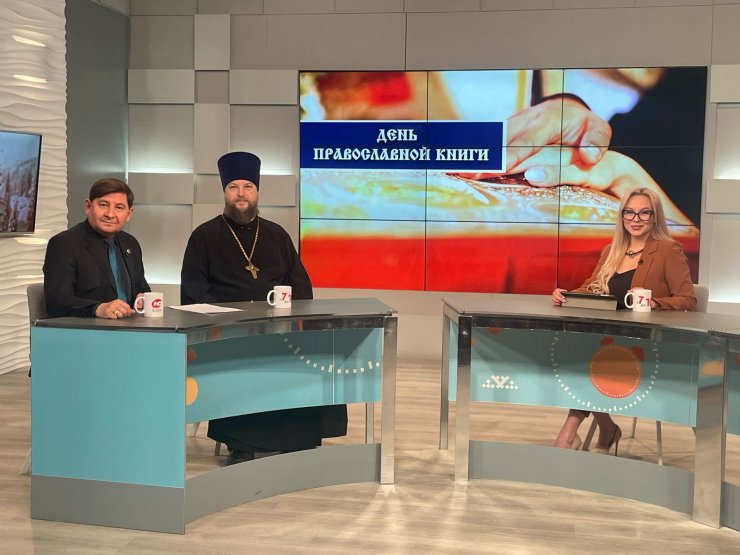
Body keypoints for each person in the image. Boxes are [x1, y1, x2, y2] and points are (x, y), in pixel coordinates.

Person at [180, 151, 348, 465]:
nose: (241, 194)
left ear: (257, 192)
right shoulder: (203, 236)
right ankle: (242, 444)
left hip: (278, 329)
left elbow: (300, 285)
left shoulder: (276, 234)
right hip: (227, 333)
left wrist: (294, 319)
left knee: (315, 354)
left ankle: (300, 438)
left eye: (248, 187)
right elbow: (193, 290)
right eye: (233, 187)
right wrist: (226, 320)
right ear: (225, 192)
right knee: (244, 361)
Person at [551, 187, 695, 454]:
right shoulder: (612, 251)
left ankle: (570, 434)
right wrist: (566, 295)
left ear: (655, 216)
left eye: (644, 213)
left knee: (588, 361)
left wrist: (654, 303)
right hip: (607, 342)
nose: (636, 219)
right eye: (629, 212)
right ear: (622, 216)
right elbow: (591, 287)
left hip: (646, 346)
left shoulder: (668, 250)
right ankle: (604, 429)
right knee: (582, 358)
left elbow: (687, 300)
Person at [43, 178, 150, 318]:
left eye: (119, 207)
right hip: (85, 328)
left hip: (129, 325)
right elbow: (57, 301)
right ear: (88, 207)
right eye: (103, 205)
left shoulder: (130, 243)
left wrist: (143, 298)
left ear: (129, 214)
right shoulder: (64, 244)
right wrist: (98, 309)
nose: (110, 214)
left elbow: (142, 288)